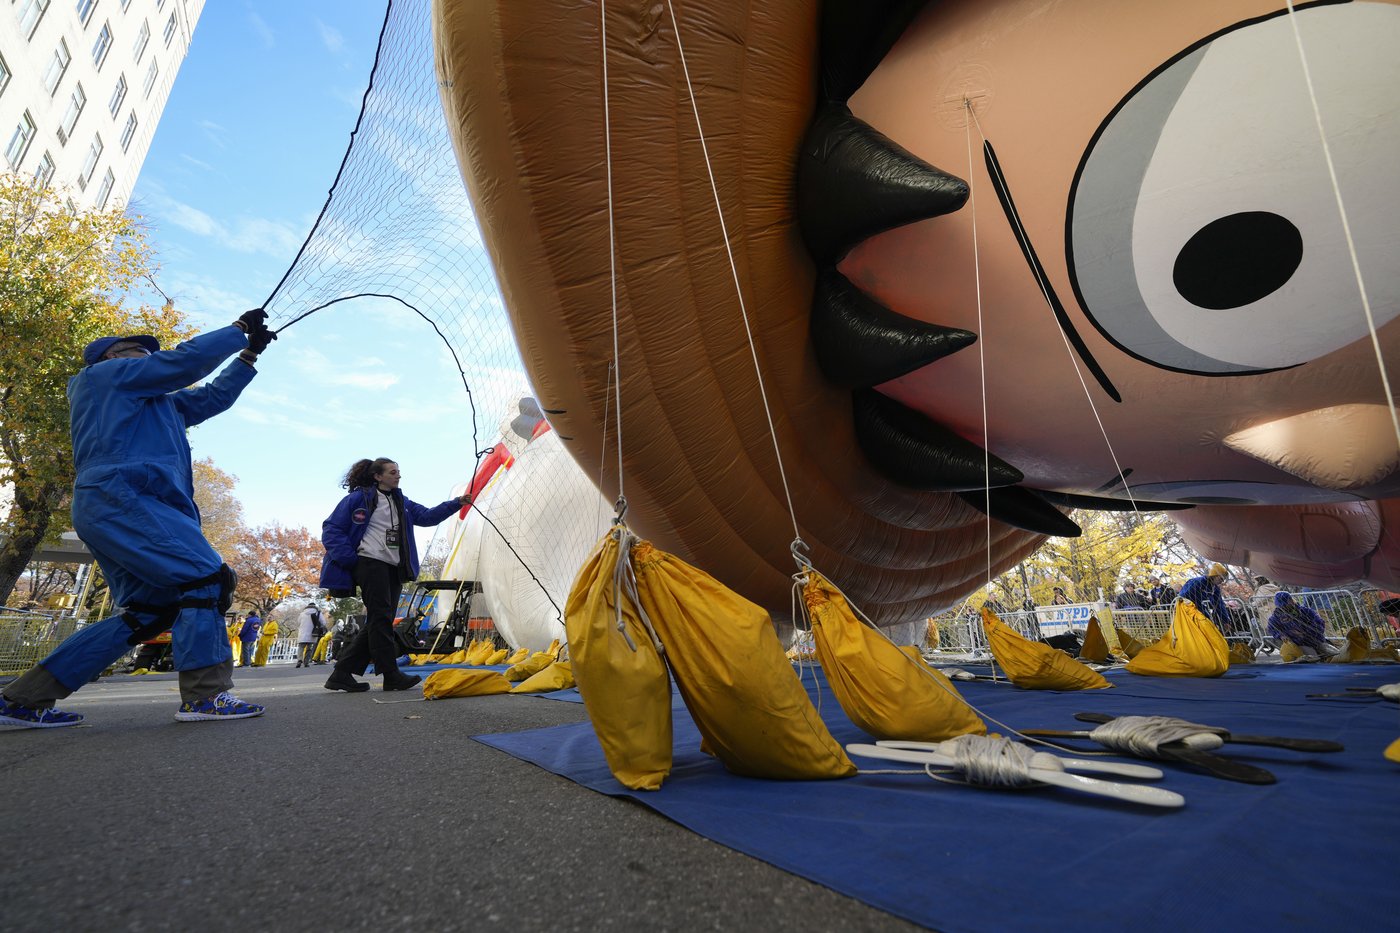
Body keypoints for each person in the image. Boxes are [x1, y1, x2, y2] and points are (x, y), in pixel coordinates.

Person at [0, 312, 276, 728]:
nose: (150, 354)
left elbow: (210, 399)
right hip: (126, 496)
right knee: (205, 580)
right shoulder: (105, 377)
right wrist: (236, 331)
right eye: (138, 350)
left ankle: (23, 699)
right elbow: (182, 363)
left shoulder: (153, 402)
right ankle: (205, 696)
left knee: (149, 611)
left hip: (117, 502)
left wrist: (248, 356)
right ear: (111, 356)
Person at [319, 458, 469, 692]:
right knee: (380, 619)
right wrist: (350, 558)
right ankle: (390, 675)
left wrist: (457, 503)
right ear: (378, 476)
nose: (398, 476)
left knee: (381, 620)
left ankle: (341, 673)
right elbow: (331, 528)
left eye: (398, 472)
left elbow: (428, 517)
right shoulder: (358, 499)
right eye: (392, 472)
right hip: (369, 563)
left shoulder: (402, 502)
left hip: (393, 566)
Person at [1267, 591, 1338, 658]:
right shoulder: (1275, 618)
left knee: (1334, 654)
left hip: (1316, 641)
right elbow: (1272, 630)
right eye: (1282, 606)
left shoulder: (1305, 611)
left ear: (1291, 600)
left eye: (1287, 603)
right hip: (1298, 645)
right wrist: (1283, 635)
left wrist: (1306, 632)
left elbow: (1320, 622)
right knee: (1313, 657)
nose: (1285, 607)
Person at [1178, 563, 1232, 629]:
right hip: (1188, 610)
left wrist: (1225, 621)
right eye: (1221, 578)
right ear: (1215, 575)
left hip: (1202, 611)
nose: (1222, 581)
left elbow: (1219, 604)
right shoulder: (1197, 582)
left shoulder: (1215, 588)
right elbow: (1184, 597)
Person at [295, 603, 324, 668]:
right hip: (312, 633)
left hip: (302, 633)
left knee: (301, 647)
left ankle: (299, 660)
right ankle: (306, 662)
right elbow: (323, 622)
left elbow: (298, 622)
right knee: (309, 648)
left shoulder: (302, 613)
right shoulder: (318, 613)